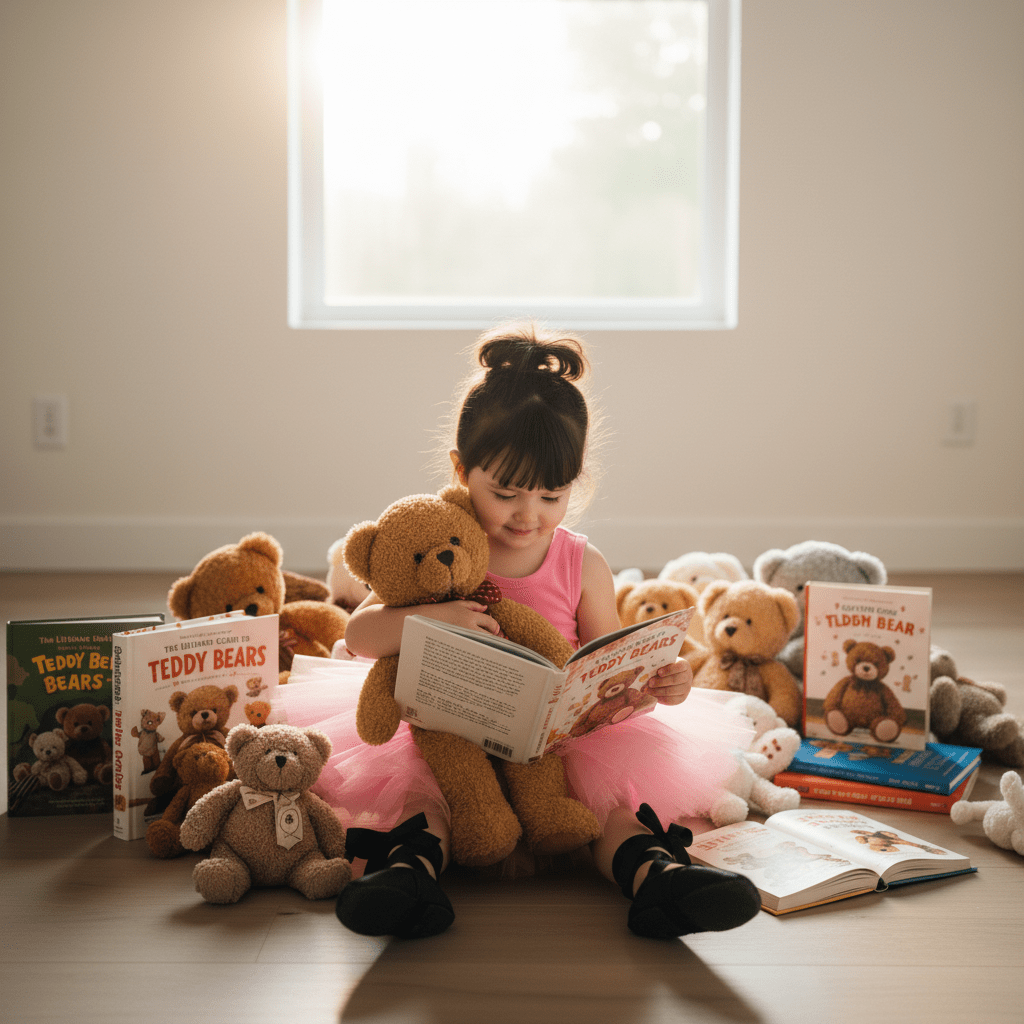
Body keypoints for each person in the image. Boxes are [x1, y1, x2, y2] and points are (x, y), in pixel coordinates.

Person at [277, 324, 760, 941]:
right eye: (505, 493)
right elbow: (361, 634)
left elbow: (608, 661)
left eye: (552, 496)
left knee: (611, 808)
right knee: (422, 800)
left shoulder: (581, 563)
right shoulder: (438, 542)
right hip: (446, 732)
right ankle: (409, 879)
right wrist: (425, 617)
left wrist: (660, 683)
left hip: (551, 744)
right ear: (461, 470)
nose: (527, 515)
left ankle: (657, 880)